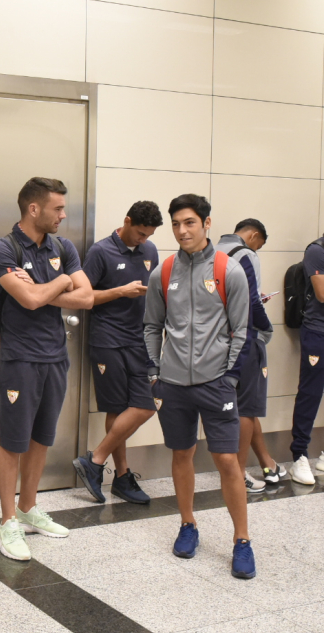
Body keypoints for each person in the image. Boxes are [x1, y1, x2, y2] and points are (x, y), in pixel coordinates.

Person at [144, 194, 255, 579]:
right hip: (172, 384)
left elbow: (243, 329)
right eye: (176, 224)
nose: (182, 230)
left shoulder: (230, 270)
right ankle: (188, 525)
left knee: (227, 461)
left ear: (207, 224)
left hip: (215, 383)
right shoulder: (164, 270)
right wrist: (155, 374)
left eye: (189, 222)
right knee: (181, 454)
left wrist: (229, 376)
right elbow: (151, 326)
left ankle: (242, 541)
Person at [0, 177, 92, 561]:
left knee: (41, 438)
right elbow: (28, 300)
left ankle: (29, 508)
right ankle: (7, 523)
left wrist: (48, 287)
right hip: (20, 360)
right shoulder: (2, 249)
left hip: (56, 357)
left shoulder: (63, 247)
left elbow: (88, 297)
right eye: (57, 209)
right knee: (13, 442)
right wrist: (62, 280)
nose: (63, 215)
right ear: (34, 209)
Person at [73, 201, 162, 504]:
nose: (143, 240)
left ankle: (95, 461)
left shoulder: (149, 251)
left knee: (144, 406)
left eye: (148, 235)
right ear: (126, 221)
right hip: (107, 339)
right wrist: (119, 292)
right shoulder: (101, 252)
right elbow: (83, 297)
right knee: (118, 409)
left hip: (138, 340)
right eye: (139, 233)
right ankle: (122, 477)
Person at [216, 219, 286, 491]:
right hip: (245, 338)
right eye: (260, 244)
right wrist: (266, 329)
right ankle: (239, 473)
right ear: (254, 235)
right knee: (247, 407)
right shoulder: (247, 254)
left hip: (217, 340)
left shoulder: (211, 252)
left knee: (243, 405)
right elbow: (252, 301)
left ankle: (267, 463)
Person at [288, 230, 324, 486]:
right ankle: (299, 455)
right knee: (310, 394)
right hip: (317, 333)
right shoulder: (317, 251)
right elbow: (322, 293)